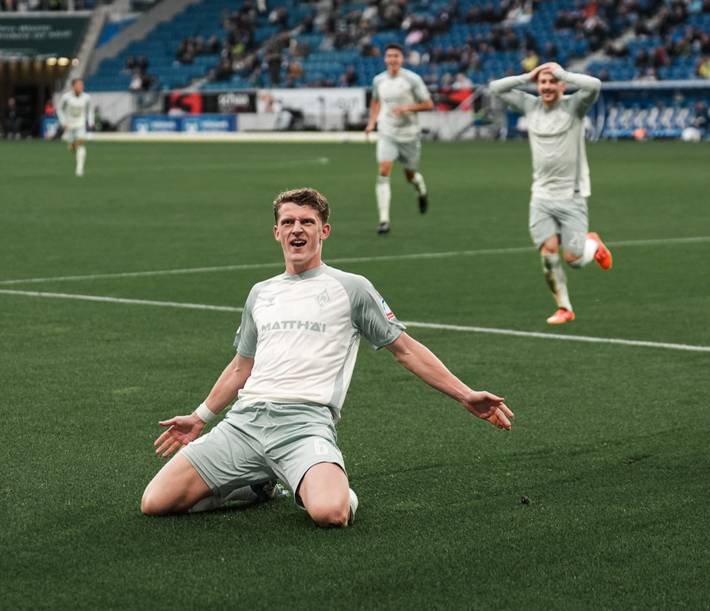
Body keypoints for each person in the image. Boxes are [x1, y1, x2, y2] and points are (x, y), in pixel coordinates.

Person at [140, 188, 514, 527]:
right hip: (245, 423)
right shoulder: (260, 293)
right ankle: (255, 486)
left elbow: (406, 350)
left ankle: (320, 485)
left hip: (305, 425)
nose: (297, 229)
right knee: (155, 502)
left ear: (324, 231)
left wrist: (465, 394)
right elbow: (242, 365)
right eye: (288, 222)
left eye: (307, 222)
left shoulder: (352, 288)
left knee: (331, 514)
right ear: (276, 232)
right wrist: (200, 417)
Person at [489, 62, 613, 325]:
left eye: (551, 82)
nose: (546, 87)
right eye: (542, 82)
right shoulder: (530, 105)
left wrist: (562, 73)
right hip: (541, 196)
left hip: (572, 195)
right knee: (548, 254)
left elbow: (595, 85)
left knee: (574, 259)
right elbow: (495, 88)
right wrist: (528, 76)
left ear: (561, 86)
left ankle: (593, 244)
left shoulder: (574, 107)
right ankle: (564, 307)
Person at [365, 43, 434, 235]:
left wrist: (406, 109)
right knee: (384, 170)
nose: (392, 59)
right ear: (385, 59)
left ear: (401, 59)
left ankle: (421, 190)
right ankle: (384, 220)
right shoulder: (379, 80)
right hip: (387, 131)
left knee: (410, 175)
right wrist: (371, 123)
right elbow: (375, 101)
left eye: (396, 56)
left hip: (410, 134)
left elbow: (428, 104)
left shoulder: (412, 79)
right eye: (389, 56)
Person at [56, 78, 92, 177]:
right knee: (72, 147)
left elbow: (89, 110)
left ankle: (79, 170)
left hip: (80, 124)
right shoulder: (66, 98)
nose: (81, 87)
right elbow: (59, 109)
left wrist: (90, 122)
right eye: (78, 85)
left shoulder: (87, 97)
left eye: (82, 85)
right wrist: (63, 122)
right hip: (69, 125)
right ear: (73, 86)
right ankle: (72, 146)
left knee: (81, 145)